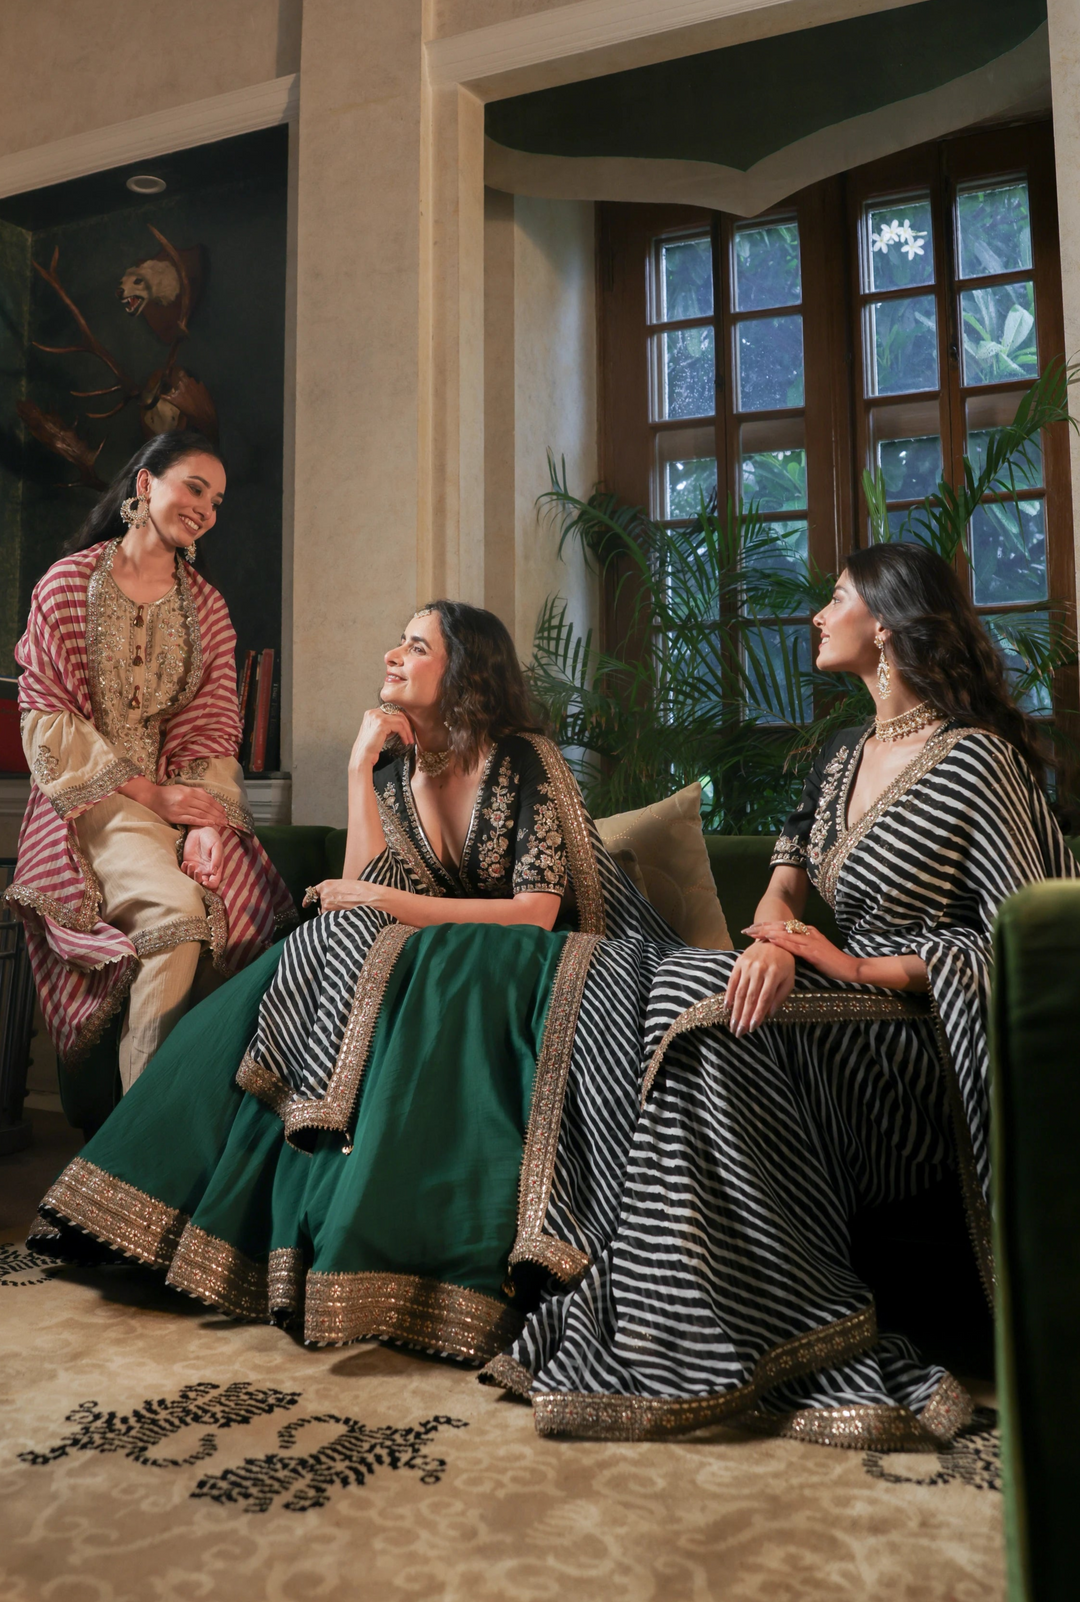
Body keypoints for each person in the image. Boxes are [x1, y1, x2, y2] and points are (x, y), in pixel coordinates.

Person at [487, 542, 1078, 1449]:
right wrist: (772, 936)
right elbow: (787, 873)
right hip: (831, 1014)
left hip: (915, 1039)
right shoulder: (843, 756)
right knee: (648, 985)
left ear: (884, 622)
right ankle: (656, 1309)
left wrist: (840, 965)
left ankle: (803, 1337)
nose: (816, 614)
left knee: (701, 1004)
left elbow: (1018, 940)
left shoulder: (979, 763)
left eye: (835, 597)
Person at [29, 601, 679, 1363]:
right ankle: (162, 1214)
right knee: (322, 947)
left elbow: (536, 915)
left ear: (465, 669)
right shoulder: (401, 774)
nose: (392, 655)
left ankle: (411, 1254)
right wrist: (358, 768)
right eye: (396, 639)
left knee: (434, 966)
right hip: (445, 948)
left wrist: (383, 901)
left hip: (553, 958)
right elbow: (358, 890)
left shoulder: (525, 758)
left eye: (415, 645)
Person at [7, 430, 293, 1090]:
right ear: (145, 484)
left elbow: (211, 733)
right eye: (195, 487)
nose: (206, 509)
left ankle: (203, 1144)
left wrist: (209, 828)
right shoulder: (67, 586)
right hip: (91, 805)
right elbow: (49, 720)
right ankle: (137, 1158)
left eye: (217, 500)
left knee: (244, 928)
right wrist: (154, 797)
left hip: (182, 804)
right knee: (179, 917)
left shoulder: (207, 609)